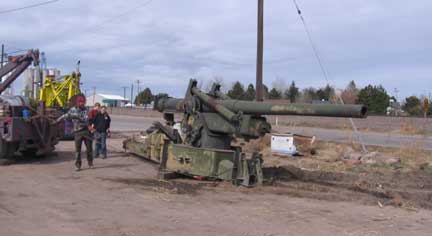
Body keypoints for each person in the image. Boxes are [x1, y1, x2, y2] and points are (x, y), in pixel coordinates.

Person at [57, 95, 93, 171]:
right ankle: (78, 165)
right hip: (77, 132)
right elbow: (65, 115)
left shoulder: (86, 110)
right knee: (78, 150)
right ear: (77, 102)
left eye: (83, 102)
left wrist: (78, 117)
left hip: (86, 131)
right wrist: (58, 120)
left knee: (89, 149)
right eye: (80, 102)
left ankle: (90, 163)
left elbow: (86, 119)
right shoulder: (72, 110)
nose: (81, 104)